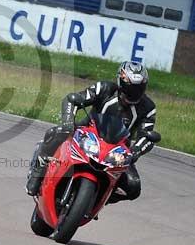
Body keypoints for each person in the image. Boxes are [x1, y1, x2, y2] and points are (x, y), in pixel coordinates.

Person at [25, 61, 157, 203]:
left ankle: (97, 199)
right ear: (121, 82)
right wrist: (68, 123)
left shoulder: (148, 107)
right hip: (86, 133)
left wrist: (136, 151)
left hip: (118, 150)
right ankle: (37, 174)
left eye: (139, 88)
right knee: (55, 132)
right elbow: (72, 99)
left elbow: (147, 135)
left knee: (133, 187)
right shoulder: (104, 88)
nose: (134, 93)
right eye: (130, 87)